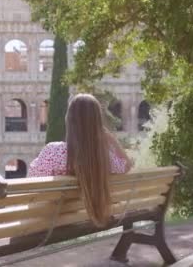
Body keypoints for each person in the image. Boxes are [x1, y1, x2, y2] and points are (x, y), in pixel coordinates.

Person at [28, 94, 134, 227]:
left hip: (52, 224)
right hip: (85, 221)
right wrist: (111, 139)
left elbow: (33, 183)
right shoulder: (104, 158)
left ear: (69, 120)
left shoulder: (53, 151)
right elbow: (127, 165)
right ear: (98, 123)